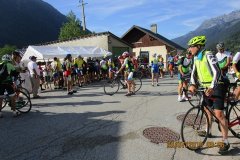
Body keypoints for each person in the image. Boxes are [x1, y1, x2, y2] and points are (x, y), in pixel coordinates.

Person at [188, 35, 230, 154]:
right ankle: (208, 131)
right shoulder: (196, 58)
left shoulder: (208, 54)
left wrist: (212, 87)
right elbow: (193, 73)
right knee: (207, 110)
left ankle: (225, 141)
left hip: (217, 85)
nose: (189, 49)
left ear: (199, 46)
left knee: (219, 114)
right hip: (205, 87)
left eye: (191, 46)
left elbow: (217, 71)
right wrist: (192, 84)